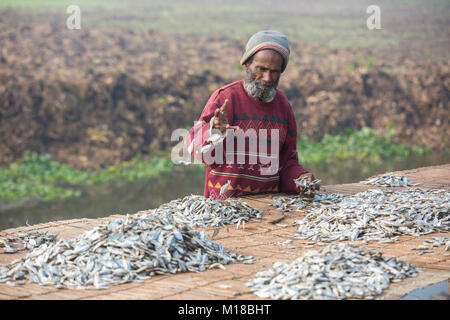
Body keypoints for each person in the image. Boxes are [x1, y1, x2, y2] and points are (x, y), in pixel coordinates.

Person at [184, 30, 317, 199]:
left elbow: (287, 163)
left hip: (268, 209)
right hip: (225, 208)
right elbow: (193, 147)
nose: (267, 78)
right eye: (261, 69)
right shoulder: (225, 99)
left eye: (275, 71)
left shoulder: (283, 106)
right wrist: (214, 132)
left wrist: (301, 179)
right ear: (246, 65)